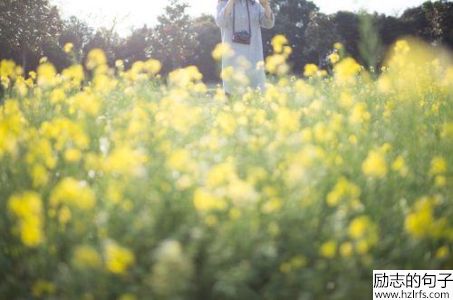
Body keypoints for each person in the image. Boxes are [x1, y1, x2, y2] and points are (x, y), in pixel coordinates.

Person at [215, 0, 275, 97]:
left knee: (257, 103)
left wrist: (265, 5)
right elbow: (220, 21)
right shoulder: (223, 2)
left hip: (254, 61)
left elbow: (269, 24)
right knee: (232, 104)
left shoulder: (256, 5)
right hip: (232, 63)